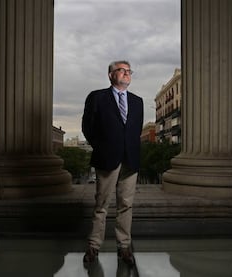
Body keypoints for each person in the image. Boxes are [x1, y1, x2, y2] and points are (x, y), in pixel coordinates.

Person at [81, 60, 144, 267]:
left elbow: (134, 132)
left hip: (130, 160)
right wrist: (101, 147)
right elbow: (87, 127)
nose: (126, 74)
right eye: (121, 70)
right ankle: (93, 246)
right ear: (110, 75)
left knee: (126, 204)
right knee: (102, 205)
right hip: (107, 158)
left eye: (129, 71)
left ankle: (124, 247)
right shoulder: (97, 97)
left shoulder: (137, 101)